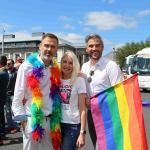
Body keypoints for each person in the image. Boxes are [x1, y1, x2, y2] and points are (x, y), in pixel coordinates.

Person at [12, 33, 62, 150]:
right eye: (46, 45)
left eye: (53, 46)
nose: (49, 49)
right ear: (40, 46)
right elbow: (18, 94)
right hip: (32, 119)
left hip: (51, 120)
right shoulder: (27, 66)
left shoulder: (55, 67)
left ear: (56, 49)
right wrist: (22, 120)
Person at [81, 34, 122, 149]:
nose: (94, 48)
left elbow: (118, 93)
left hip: (107, 114)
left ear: (102, 47)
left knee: (106, 146)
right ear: (87, 49)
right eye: (91, 46)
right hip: (91, 113)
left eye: (97, 45)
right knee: (96, 144)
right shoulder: (84, 67)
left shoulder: (111, 66)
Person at [60, 51, 87, 150]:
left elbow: (82, 109)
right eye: (65, 62)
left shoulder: (79, 81)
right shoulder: (55, 79)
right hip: (56, 124)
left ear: (74, 65)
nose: (67, 65)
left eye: (70, 63)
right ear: (61, 63)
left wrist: (82, 133)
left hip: (73, 125)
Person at [5, 59, 19, 134]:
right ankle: (10, 126)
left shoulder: (16, 72)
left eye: (9, 64)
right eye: (7, 64)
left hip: (13, 94)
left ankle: (16, 126)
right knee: (7, 111)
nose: (8, 65)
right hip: (6, 94)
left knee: (14, 111)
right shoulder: (5, 72)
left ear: (13, 64)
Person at [0, 56, 9, 145]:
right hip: (2, 98)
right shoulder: (5, 72)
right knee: (2, 117)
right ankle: (2, 134)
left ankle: (1, 138)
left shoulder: (2, 73)